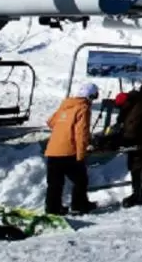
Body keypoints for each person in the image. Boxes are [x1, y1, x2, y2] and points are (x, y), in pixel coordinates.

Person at [44, 82, 99, 216]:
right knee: (81, 179)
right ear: (90, 96)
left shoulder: (65, 105)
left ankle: (52, 209)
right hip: (68, 151)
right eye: (94, 96)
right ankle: (79, 205)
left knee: (55, 183)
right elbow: (81, 133)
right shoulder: (83, 108)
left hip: (52, 150)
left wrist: (63, 129)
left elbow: (51, 122)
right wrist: (81, 154)